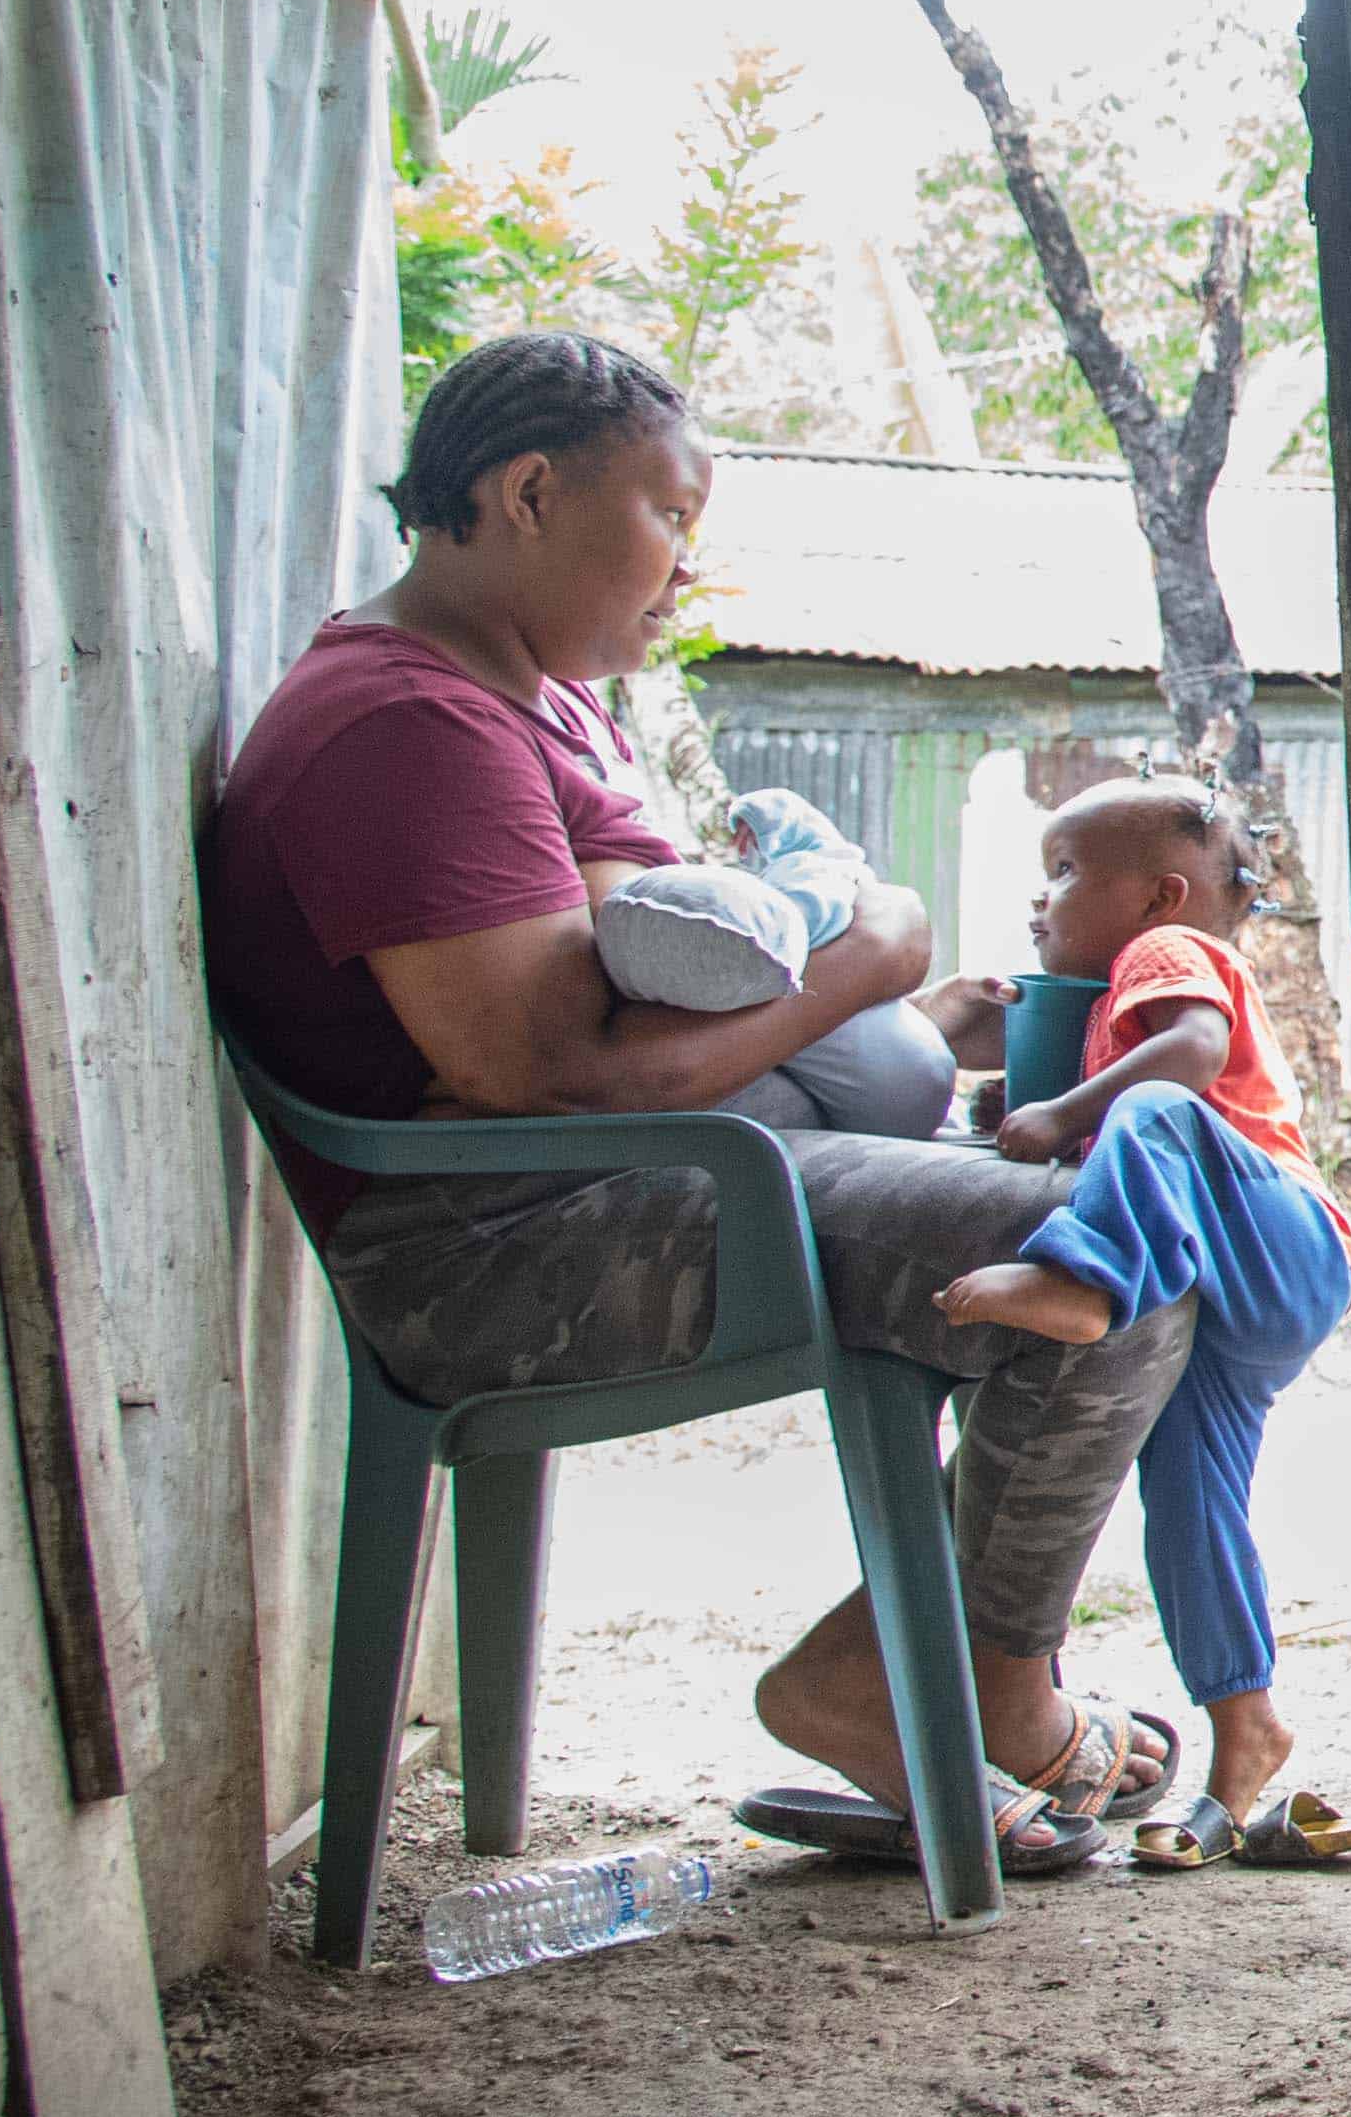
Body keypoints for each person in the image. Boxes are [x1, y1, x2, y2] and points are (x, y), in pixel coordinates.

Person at [203, 332, 1194, 1877]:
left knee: (1151, 1214)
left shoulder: (529, 701)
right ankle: (924, 1683)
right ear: (528, 492)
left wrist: (878, 1016)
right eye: (668, 517)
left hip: (632, 1178)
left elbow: (657, 999)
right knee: (1110, 1257)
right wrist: (867, 956)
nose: (678, 574)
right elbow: (558, 1073)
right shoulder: (410, 726)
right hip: (491, 1246)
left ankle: (929, 1672)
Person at [916, 779, 1351, 1873]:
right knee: (1189, 1505)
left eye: (1067, 869)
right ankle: (1246, 1733)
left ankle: (1082, 1280)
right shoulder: (1109, 997)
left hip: (1280, 1235)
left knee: (1155, 1107)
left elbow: (1186, 1063)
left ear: (1163, 895)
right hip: (1238, 1299)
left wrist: (1068, 1111)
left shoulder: (1164, 956)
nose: (1041, 898)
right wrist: (1016, 1087)